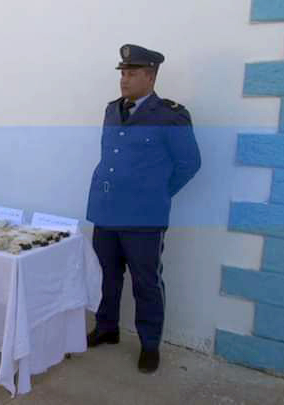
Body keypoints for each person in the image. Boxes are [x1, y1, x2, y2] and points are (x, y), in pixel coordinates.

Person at [85, 44, 201, 373]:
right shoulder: (112, 110)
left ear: (150, 77)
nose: (124, 79)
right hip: (107, 211)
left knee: (146, 282)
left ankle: (150, 344)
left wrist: (156, 194)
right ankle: (107, 327)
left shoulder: (170, 115)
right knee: (106, 274)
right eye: (122, 72)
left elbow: (190, 163)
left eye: (132, 73)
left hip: (143, 217)